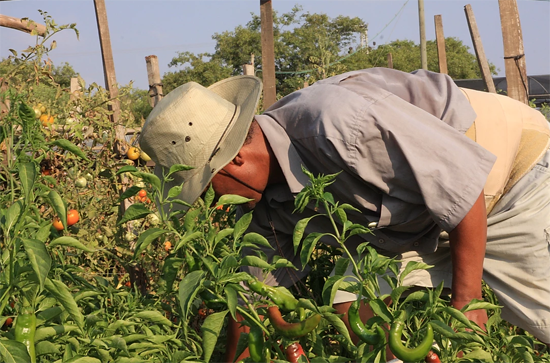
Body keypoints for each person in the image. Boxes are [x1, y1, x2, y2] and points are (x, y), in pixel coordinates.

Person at [139, 68, 550, 360]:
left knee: (541, 318)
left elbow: (462, 186)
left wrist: (466, 302)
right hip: (422, 215)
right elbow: (250, 299)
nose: (211, 207)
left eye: (206, 190)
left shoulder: (338, 125)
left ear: (236, 162)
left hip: (508, 176)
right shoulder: (270, 199)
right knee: (353, 305)